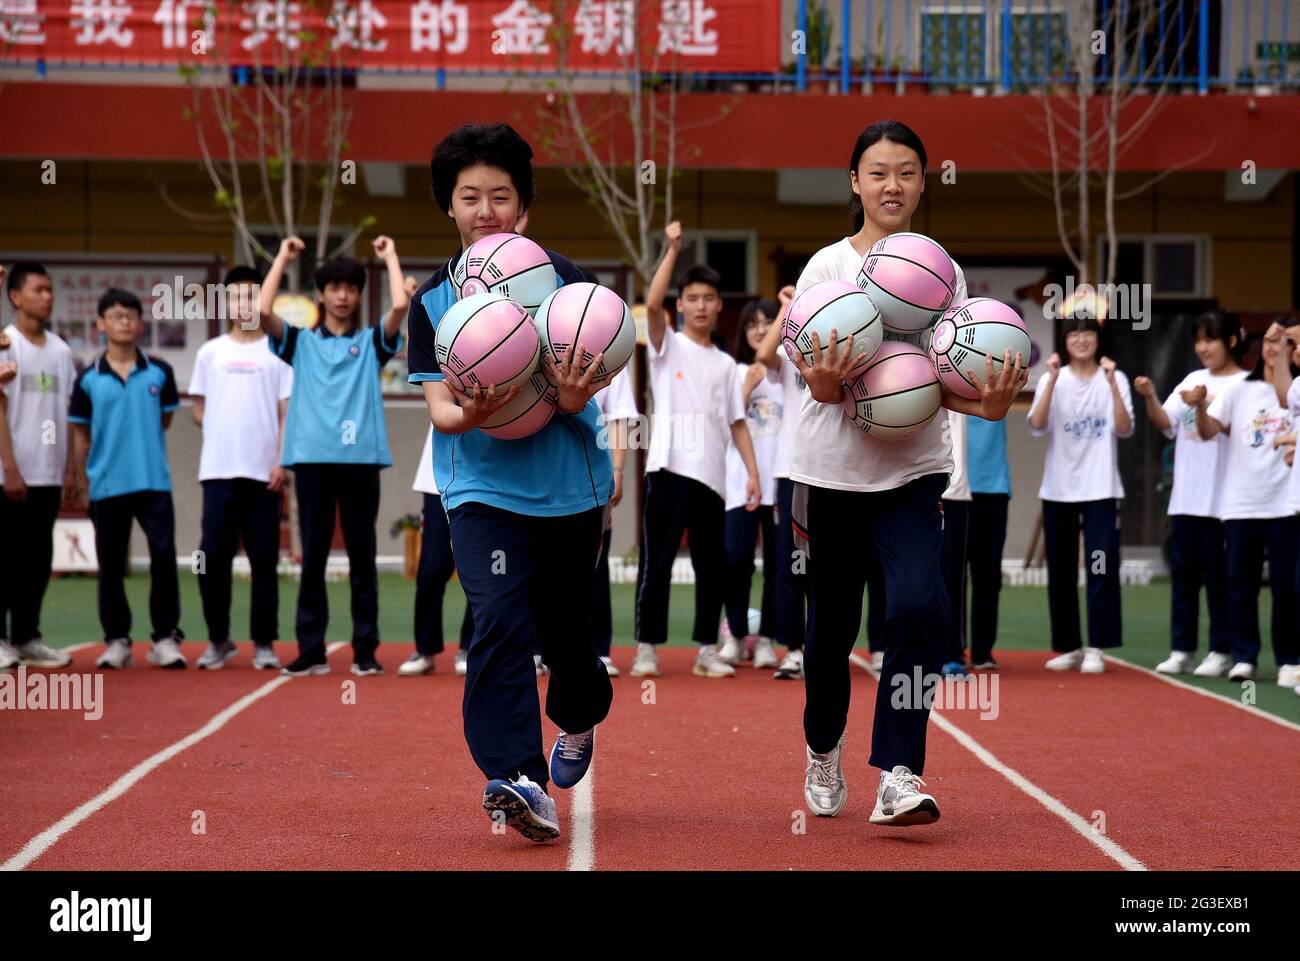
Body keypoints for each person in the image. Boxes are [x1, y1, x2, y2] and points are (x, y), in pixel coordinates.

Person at [789, 120, 1024, 827]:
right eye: (878, 172)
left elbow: (945, 376)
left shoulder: (941, 271)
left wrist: (987, 402)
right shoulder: (826, 269)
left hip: (916, 474)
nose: (893, 185)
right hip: (829, 475)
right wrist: (828, 383)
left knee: (922, 609)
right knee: (830, 631)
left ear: (924, 182)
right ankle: (823, 746)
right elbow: (816, 383)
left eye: (907, 172)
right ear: (855, 182)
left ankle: (899, 769)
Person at [408, 121, 614, 842]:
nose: (486, 209)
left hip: (568, 488)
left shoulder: (571, 284)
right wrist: (474, 409)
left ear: (522, 206)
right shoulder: (432, 299)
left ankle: (580, 711)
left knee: (567, 637)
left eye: (501, 195)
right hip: (482, 492)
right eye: (470, 196)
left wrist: (565, 397)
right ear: (450, 206)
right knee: (496, 620)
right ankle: (519, 776)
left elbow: (593, 386)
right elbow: (439, 408)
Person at [258, 235, 408, 678]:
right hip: (312, 460)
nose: (343, 295)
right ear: (320, 294)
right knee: (314, 559)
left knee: (363, 559)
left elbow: (400, 306)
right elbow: (263, 312)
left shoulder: (372, 342)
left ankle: (365, 651)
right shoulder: (300, 342)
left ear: (359, 293)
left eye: (351, 288)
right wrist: (283, 258)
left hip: (360, 460)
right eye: (334, 288)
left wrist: (390, 256)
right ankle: (311, 649)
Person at [631, 220, 762, 680]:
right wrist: (672, 250)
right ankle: (647, 647)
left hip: (712, 477)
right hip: (668, 469)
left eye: (709, 299)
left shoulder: (727, 364)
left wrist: (751, 474)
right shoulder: (668, 348)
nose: (701, 306)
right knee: (658, 562)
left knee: (715, 567)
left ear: (719, 306)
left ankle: (707, 648)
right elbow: (650, 303)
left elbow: (738, 422)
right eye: (693, 299)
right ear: (681, 306)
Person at [69, 288, 186, 669]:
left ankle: (165, 638)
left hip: (153, 482)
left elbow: (165, 419)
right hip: (106, 484)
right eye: (116, 315)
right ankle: (117, 639)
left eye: (131, 315)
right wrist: (82, 484)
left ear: (140, 324)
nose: (124, 321)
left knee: (164, 560)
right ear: (100, 324)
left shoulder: (159, 371)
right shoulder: (88, 378)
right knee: (111, 565)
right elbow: (80, 435)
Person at [189, 265, 293, 671]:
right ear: (226, 303)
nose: (244, 304)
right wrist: (221, 427)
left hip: (264, 474)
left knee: (264, 559)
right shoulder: (209, 352)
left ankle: (264, 642)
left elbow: (286, 412)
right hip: (217, 471)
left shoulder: (277, 352)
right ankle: (219, 640)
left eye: (252, 296)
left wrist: (280, 461)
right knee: (211, 556)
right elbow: (198, 407)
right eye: (236, 297)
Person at [1132, 311, 1247, 677]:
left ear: (1231, 342)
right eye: (1198, 341)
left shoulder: (1245, 385)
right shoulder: (1193, 379)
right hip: (1186, 499)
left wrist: (1200, 404)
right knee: (1184, 579)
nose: (1202, 348)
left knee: (1220, 580)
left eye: (1210, 340)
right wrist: (1150, 396)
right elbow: (1165, 424)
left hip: (1224, 503)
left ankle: (1221, 650)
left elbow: (1224, 433)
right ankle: (1182, 649)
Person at [1027, 315, 1134, 674]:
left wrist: (1112, 384)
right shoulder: (1051, 378)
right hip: (1059, 490)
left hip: (1101, 490)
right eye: (1075, 334)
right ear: (1065, 341)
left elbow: (1123, 427)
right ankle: (1069, 646)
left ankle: (1097, 647)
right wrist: (1053, 379)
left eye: (1089, 333)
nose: (1082, 339)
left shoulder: (1114, 378)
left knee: (1100, 567)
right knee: (1060, 571)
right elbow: (1038, 424)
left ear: (1098, 340)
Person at [1195, 321, 1299, 685]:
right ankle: (1244, 657)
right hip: (1242, 503)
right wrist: (1198, 408)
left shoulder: (1295, 391)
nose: (1273, 348)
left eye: (1282, 342)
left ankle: (1289, 659)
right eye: (1268, 342)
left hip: (1285, 503)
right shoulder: (1241, 390)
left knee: (1287, 583)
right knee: (1240, 583)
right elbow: (1209, 431)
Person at [0, 262, 76, 670]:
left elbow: (63, 413)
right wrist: (9, 467)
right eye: (38, 289)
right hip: (9, 472)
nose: (47, 296)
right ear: (15, 296)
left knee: (35, 559)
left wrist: (68, 470)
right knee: (4, 557)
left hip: (47, 473)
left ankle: (27, 636)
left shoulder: (62, 352)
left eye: (50, 289)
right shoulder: (5, 344)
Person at [719, 297, 783, 671]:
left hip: (777, 484)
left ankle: (768, 641)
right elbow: (724, 422)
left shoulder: (783, 372)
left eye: (767, 322)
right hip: (738, 482)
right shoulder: (733, 371)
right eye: (752, 324)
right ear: (743, 333)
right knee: (737, 560)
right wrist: (745, 387)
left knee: (778, 564)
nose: (760, 330)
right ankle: (737, 636)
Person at [753, 284, 808, 679]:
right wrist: (787, 306)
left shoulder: (843, 345)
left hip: (833, 470)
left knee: (830, 566)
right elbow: (762, 353)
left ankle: (829, 645)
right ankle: (795, 648)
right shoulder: (789, 353)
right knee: (790, 565)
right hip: (789, 471)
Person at [400, 425, 475, 677]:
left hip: (485, 473)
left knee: (481, 567)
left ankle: (469, 646)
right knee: (433, 565)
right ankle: (425, 649)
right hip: (438, 474)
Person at [591, 365, 638, 676]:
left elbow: (619, 417)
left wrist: (617, 469)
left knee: (595, 562)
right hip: (545, 470)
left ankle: (598, 649)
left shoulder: (608, 349)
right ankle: (538, 647)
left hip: (592, 475)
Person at [964, 415, 1012, 670]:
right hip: (951, 487)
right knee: (950, 576)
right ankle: (951, 650)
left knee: (988, 576)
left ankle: (983, 650)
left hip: (992, 486)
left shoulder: (999, 375)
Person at [938, 412, 971, 677]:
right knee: (911, 579)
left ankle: (951, 652)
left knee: (951, 578)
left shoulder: (957, 370)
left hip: (952, 490)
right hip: (905, 485)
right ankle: (901, 649)